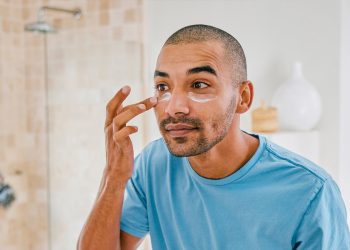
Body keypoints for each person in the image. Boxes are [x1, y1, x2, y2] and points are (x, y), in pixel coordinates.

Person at [78, 24, 350, 250]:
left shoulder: (310, 191)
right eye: (163, 86)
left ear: (243, 98)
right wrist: (114, 176)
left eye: (199, 84)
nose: (174, 107)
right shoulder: (153, 165)